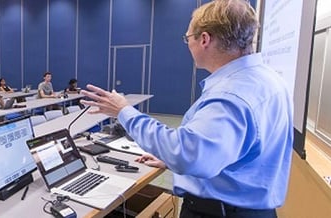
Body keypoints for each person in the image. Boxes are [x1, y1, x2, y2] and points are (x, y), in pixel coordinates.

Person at [80, 1, 291, 217]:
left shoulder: (231, 95)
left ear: (205, 39)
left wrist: (123, 111)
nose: (187, 44)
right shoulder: (268, 79)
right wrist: (170, 160)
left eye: (187, 38)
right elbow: (228, 152)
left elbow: (186, 153)